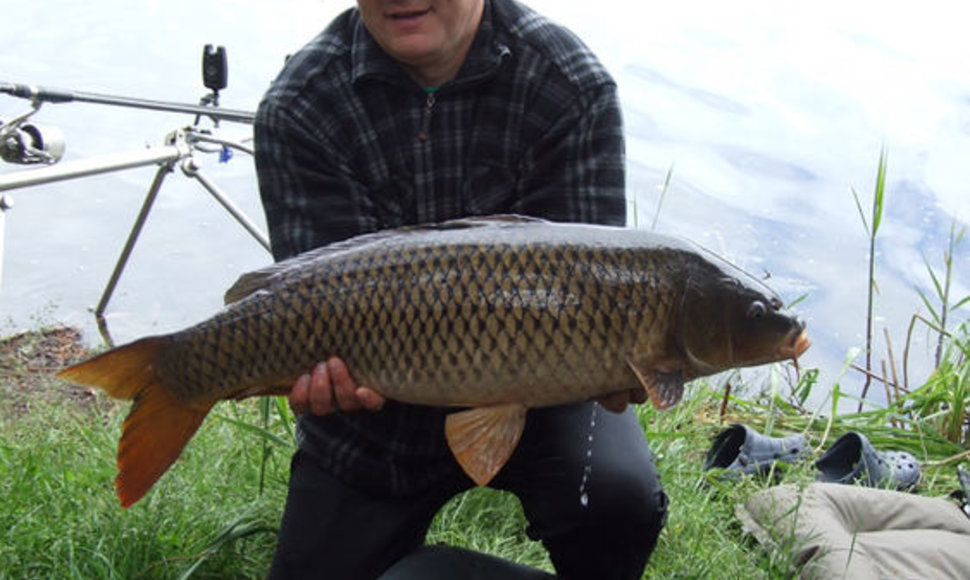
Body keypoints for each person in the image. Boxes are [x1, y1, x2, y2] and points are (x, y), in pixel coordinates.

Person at [254, 1, 668, 578]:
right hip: (373, 423)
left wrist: (629, 365)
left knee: (617, 495)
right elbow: (310, 295)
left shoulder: (568, 83)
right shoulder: (302, 104)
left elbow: (595, 289)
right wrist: (313, 371)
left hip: (542, 394)